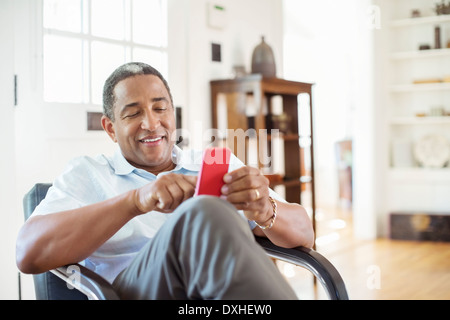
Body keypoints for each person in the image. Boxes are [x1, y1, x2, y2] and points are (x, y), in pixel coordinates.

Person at [16, 62, 314, 300]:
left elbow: (305, 233)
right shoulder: (88, 173)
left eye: (160, 109)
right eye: (133, 113)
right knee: (205, 211)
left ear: (173, 115)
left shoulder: (213, 164)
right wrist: (136, 201)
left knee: (210, 216)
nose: (151, 123)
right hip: (132, 291)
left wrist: (264, 211)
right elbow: (28, 253)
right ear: (110, 128)